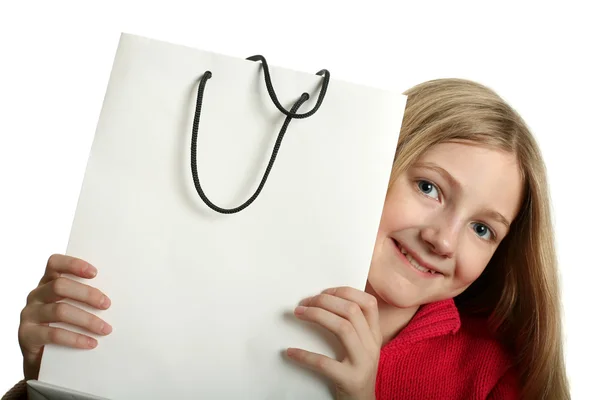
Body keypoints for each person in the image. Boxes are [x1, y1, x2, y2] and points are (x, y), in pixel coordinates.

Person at [3, 78, 570, 400]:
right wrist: (48, 378)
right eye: (428, 187)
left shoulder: (489, 374)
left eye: (482, 228)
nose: (444, 239)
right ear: (369, 165)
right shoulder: (229, 289)